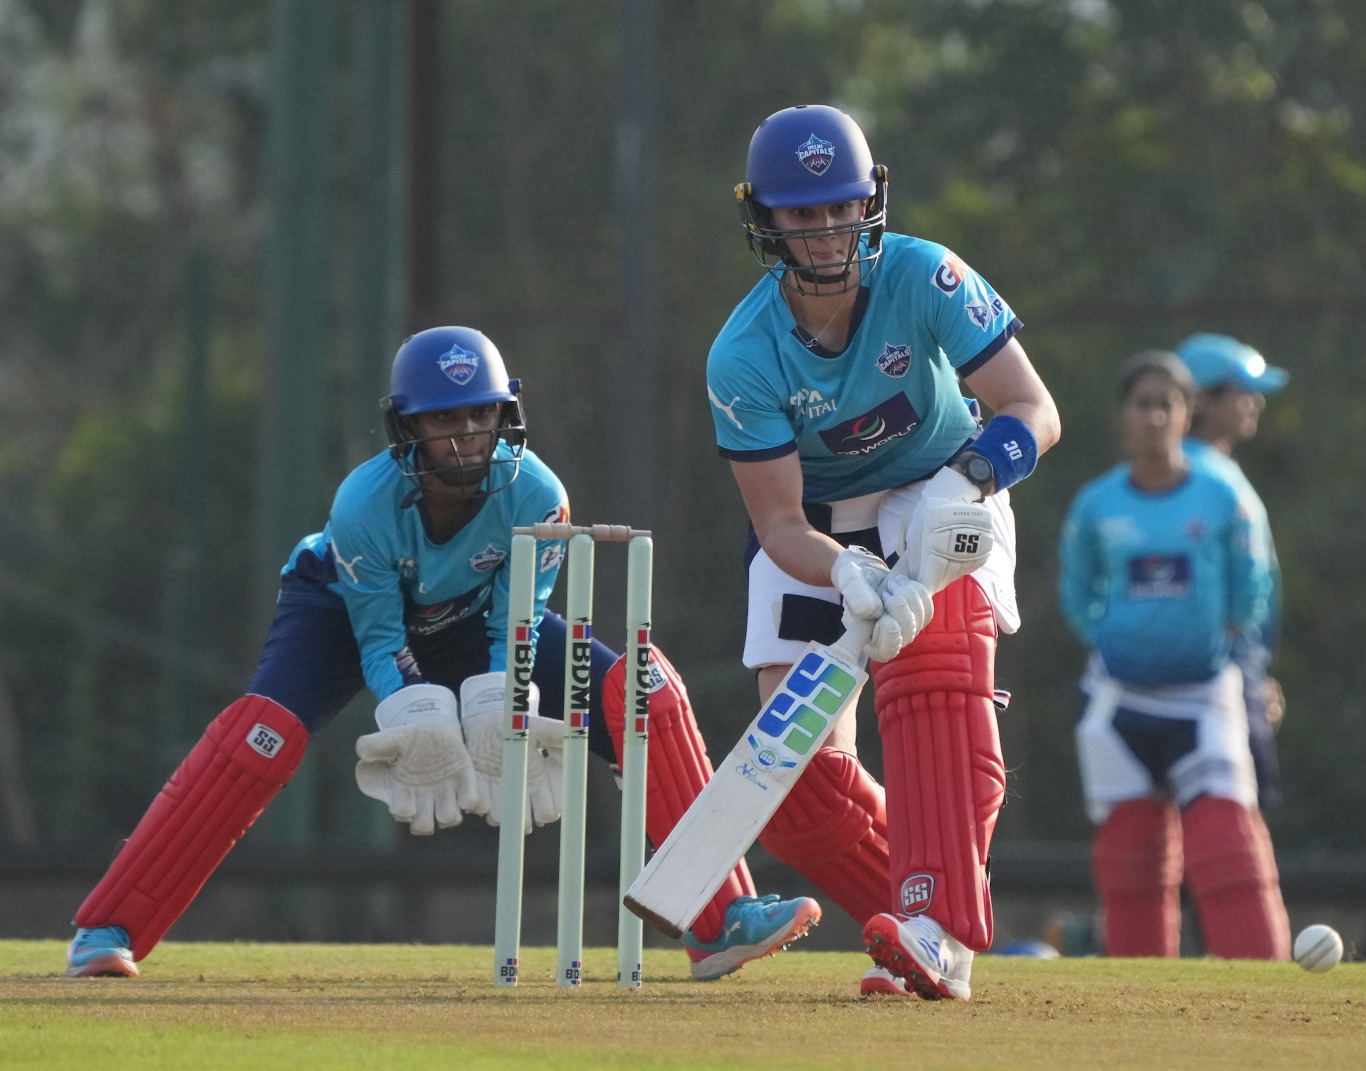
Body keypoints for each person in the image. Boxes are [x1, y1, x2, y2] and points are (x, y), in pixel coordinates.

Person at [66, 325, 819, 980]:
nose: (465, 435)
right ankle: (109, 928)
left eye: (479, 414)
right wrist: (413, 706)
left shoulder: (538, 494)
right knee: (256, 736)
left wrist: (497, 696)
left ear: (504, 414)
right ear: (407, 427)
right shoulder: (362, 506)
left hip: (481, 621)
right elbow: (378, 635)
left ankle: (720, 917)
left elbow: (518, 620)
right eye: (444, 419)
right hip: (338, 611)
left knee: (643, 691)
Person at [706, 104, 1060, 1000]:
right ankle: (918, 915)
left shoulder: (925, 273)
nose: (828, 231)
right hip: (817, 531)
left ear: (871, 201)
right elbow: (780, 524)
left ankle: (937, 923)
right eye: (803, 213)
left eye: (842, 206)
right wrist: (845, 569)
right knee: (792, 785)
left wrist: (964, 482)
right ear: (765, 219)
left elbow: (1035, 410)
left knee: (932, 676)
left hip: (942, 485)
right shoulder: (741, 355)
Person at [1058, 350, 1290, 960]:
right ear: (1123, 416)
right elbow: (1077, 591)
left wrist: (1229, 643)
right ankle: (1141, 1003)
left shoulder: (1222, 495)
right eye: (1143, 404)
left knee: (1228, 848)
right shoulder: (1096, 505)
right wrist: (1111, 636)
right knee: (1131, 861)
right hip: (1120, 699)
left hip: (1204, 696)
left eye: (1168, 404)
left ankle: (1265, 993)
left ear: (1188, 414)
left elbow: (1253, 586)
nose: (1155, 417)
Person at [1174, 333, 1288, 807]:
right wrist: (1246, 672)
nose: (1256, 401)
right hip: (1219, 675)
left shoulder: (1212, 470)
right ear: (1203, 399)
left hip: (1232, 669)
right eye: (1244, 389)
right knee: (1231, 819)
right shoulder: (1200, 477)